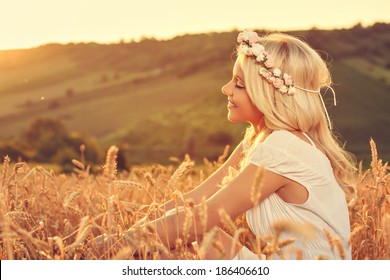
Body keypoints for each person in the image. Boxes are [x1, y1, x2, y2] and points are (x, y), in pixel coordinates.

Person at [98, 30, 357, 260]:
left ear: (269, 94)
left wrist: (109, 247)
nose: (225, 89)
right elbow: (194, 200)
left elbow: (201, 220)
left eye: (239, 84)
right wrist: (127, 232)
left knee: (185, 233)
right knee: (169, 237)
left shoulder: (284, 147)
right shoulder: (257, 140)